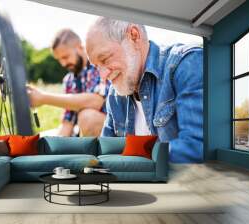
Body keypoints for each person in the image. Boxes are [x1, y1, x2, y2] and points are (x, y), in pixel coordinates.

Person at [86, 18, 203, 163]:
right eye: (97, 66)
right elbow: (105, 153)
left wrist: (136, 152)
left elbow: (196, 148)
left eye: (105, 59)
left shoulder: (187, 64)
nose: (103, 76)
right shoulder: (115, 95)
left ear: (134, 36)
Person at [28, 29, 109, 137]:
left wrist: (43, 98)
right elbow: (67, 124)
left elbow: (97, 101)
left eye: (65, 57)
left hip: (112, 128)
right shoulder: (69, 80)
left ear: (80, 47)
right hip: (81, 133)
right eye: (59, 59)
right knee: (41, 138)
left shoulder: (98, 66)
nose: (63, 63)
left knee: (88, 118)